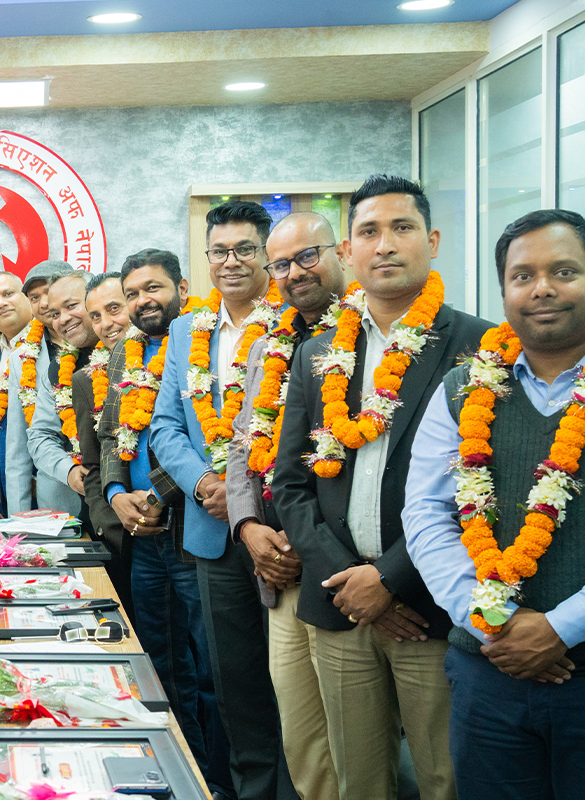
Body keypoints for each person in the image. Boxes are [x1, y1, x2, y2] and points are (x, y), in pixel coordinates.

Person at [404, 209, 585, 798]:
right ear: (504, 291)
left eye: (564, 271)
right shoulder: (464, 388)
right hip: (488, 678)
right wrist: (491, 623)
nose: (541, 288)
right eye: (523, 276)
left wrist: (561, 628)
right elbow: (426, 514)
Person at [273, 175, 492, 800]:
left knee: (446, 779)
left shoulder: (479, 345)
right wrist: (349, 580)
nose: (385, 244)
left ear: (433, 241)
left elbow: (481, 487)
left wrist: (390, 579)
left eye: (402, 228)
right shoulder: (319, 352)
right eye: (369, 231)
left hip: (431, 608)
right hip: (339, 604)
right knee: (358, 782)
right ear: (349, 251)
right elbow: (290, 484)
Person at [150, 199, 286, 800]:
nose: (231, 262)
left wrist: (246, 496)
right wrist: (208, 484)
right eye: (220, 251)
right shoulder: (189, 329)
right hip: (211, 529)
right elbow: (164, 426)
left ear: (266, 255)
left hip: (281, 533)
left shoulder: (295, 321)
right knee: (232, 681)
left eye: (245, 250)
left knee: (295, 686)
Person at [225, 212, 347, 800]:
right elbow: (243, 441)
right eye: (282, 264)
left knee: (359, 747)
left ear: (341, 253)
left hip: (346, 569)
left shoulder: (371, 337)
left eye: (307, 256)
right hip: (278, 569)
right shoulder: (267, 344)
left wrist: (310, 544)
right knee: (304, 742)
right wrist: (248, 525)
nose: (295, 272)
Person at [97, 248, 224, 791]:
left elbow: (205, 441)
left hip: (196, 529)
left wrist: (160, 496)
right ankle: (179, 773)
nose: (142, 301)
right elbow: (110, 434)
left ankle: (220, 781)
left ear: (182, 287)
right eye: (132, 294)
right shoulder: (123, 353)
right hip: (143, 540)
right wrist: (116, 492)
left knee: (214, 669)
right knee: (160, 664)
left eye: (154, 288)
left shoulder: (206, 342)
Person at [72, 272, 131, 611]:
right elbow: (92, 463)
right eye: (95, 316)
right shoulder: (86, 380)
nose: (106, 323)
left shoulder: (173, 357)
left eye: (114, 309)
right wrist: (110, 524)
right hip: (121, 531)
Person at [0, 271, 44, 518]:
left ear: (27, 298)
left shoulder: (50, 344)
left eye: (8, 294)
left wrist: (42, 476)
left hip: (43, 484)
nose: (1, 303)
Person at [29, 270, 96, 517]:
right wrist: (68, 470)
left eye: (71, 306)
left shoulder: (133, 354)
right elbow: (40, 437)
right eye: (55, 314)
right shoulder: (58, 369)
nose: (63, 319)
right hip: (79, 510)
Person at [22, 260, 72, 385]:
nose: (44, 304)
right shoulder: (20, 358)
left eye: (49, 292)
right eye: (35, 297)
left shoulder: (101, 333)